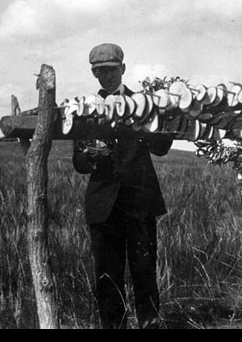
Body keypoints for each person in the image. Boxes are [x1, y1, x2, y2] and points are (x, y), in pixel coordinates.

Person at [72, 43, 173, 329]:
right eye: (100, 72)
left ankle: (149, 326)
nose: (107, 77)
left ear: (123, 70)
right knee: (107, 278)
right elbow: (79, 161)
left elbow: (161, 148)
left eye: (112, 71)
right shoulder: (85, 109)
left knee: (144, 273)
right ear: (94, 75)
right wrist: (97, 148)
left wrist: (159, 115)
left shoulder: (145, 104)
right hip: (103, 207)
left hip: (140, 204)